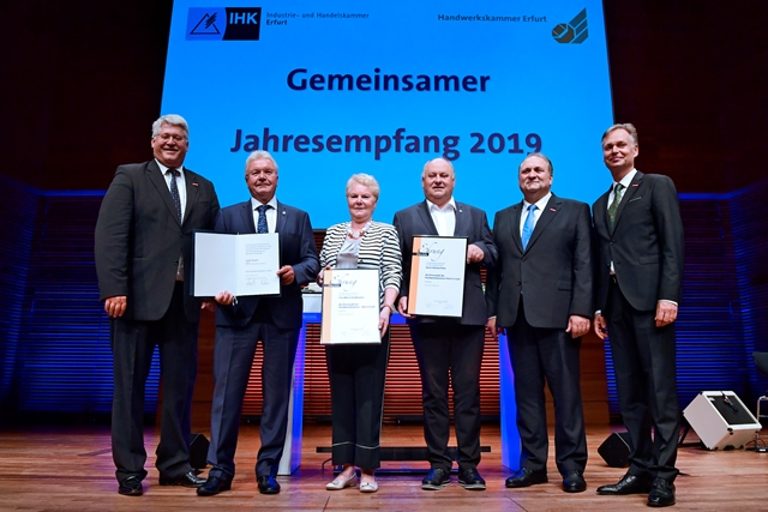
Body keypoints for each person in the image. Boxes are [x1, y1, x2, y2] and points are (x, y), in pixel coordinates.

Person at [94, 114, 220, 496]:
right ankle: (130, 470)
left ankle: (176, 465)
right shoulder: (130, 177)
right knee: (130, 389)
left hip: (183, 306)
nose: (171, 142)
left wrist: (211, 288)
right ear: (152, 142)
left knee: (180, 391)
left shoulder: (203, 186)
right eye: (164, 136)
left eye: (178, 137)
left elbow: (210, 244)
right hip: (134, 304)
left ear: (187, 144)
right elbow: (111, 236)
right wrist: (114, 289)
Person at [197, 150, 319, 496]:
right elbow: (215, 260)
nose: (262, 177)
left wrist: (294, 272)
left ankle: (268, 469)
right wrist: (215, 289)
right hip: (236, 316)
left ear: (277, 177)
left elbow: (312, 259)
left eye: (268, 172)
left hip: (281, 317)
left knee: (277, 397)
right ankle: (220, 470)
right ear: (246, 179)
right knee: (226, 397)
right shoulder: (226, 216)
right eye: (255, 173)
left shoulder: (298, 216)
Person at [485, 153, 592, 493]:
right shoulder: (503, 217)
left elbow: (584, 265)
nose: (531, 175)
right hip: (517, 318)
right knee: (527, 396)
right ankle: (533, 465)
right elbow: (497, 273)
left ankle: (572, 467)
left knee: (566, 396)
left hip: (560, 319)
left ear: (551, 176)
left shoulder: (575, 210)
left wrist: (581, 311)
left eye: (538, 170)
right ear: (519, 178)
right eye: (525, 170)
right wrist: (494, 311)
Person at [592, 123, 684, 508]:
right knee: (629, 394)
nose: (614, 151)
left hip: (651, 305)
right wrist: (598, 307)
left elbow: (671, 245)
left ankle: (664, 477)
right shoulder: (599, 203)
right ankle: (640, 467)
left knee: (660, 392)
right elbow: (602, 260)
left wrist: (668, 296)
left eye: (620, 145)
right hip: (615, 308)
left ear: (635, 150)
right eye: (608, 147)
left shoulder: (657, 185)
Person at [393, 157, 497, 491]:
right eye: (432, 176)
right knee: (433, 394)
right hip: (426, 316)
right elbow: (399, 263)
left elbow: (495, 251)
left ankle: (468, 465)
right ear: (422, 181)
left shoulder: (476, 215)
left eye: (444, 176)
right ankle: (438, 463)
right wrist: (404, 295)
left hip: (468, 317)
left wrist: (481, 249)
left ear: (454, 180)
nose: (438, 180)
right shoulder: (405, 217)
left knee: (468, 393)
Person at [319, 173, 402, 493]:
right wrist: (327, 273)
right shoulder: (334, 232)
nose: (359, 201)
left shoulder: (386, 232)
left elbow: (393, 272)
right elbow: (324, 269)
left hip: (372, 323)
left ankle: (367, 469)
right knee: (341, 396)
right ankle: (346, 468)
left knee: (368, 397)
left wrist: (386, 308)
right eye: (354, 196)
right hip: (338, 323)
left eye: (365, 197)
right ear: (347, 199)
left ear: (375, 201)